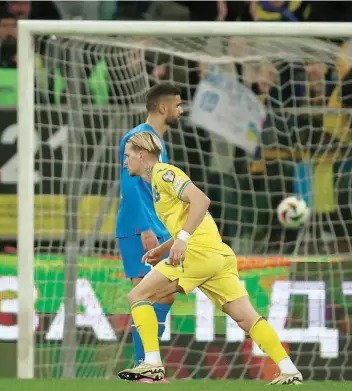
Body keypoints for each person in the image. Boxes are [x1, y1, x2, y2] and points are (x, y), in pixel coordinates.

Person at [118, 132, 303, 385]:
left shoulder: (164, 173)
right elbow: (188, 220)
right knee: (245, 317)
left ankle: (151, 363)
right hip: (216, 254)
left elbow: (201, 200)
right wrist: (164, 248)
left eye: (127, 156)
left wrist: (182, 240)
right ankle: (289, 369)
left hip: (198, 252)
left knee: (137, 295)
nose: (124, 161)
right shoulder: (155, 184)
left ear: (142, 155)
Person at [115, 83, 181, 382]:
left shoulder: (155, 141)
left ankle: (147, 363)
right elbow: (129, 185)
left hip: (153, 227)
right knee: (146, 294)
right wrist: (145, 229)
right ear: (164, 108)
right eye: (178, 105)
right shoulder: (138, 138)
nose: (180, 110)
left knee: (165, 296)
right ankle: (145, 368)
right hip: (137, 228)